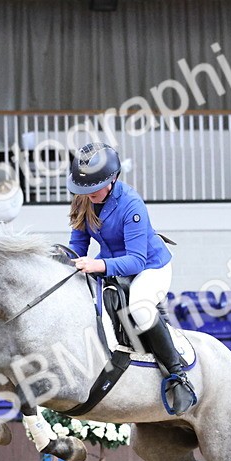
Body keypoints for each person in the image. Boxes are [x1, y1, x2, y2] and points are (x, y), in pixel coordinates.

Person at [67, 142, 197, 415]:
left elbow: (136, 260)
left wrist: (98, 264)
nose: (88, 193)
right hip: (110, 265)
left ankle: (177, 375)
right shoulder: (84, 197)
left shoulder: (131, 204)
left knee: (139, 306)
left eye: (93, 187)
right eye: (84, 188)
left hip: (149, 268)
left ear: (112, 179)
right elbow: (78, 244)